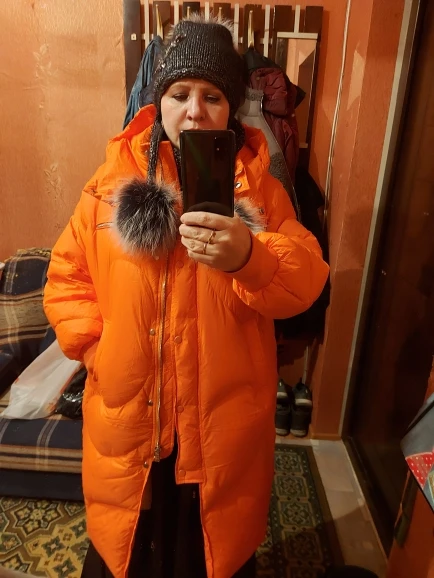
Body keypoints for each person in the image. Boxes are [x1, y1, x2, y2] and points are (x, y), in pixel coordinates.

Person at [43, 15, 329, 578]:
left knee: (207, 553)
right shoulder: (110, 184)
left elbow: (307, 280)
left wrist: (251, 256)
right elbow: (66, 278)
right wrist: (101, 351)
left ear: (231, 108)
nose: (194, 111)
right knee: (130, 547)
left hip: (219, 430)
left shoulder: (262, 189)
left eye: (211, 96)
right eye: (179, 94)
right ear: (159, 102)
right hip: (132, 422)